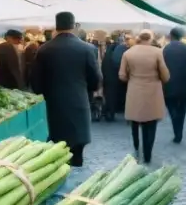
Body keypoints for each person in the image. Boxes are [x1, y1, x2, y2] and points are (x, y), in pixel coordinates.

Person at [31, 11, 102, 167]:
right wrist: (88, 89)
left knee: (58, 144)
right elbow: (96, 80)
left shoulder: (44, 50)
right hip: (79, 101)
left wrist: (46, 92)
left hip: (55, 104)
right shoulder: (87, 49)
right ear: (73, 26)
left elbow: (36, 83)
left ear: (56, 26)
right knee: (78, 146)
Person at [119, 30, 170, 164]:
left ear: (138, 38)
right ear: (151, 39)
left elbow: (122, 75)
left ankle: (136, 146)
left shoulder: (128, 53)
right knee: (151, 124)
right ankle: (148, 154)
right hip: (153, 92)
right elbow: (165, 76)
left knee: (135, 122)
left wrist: (133, 76)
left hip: (134, 90)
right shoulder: (157, 52)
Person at [162, 26, 186, 143]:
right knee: (182, 110)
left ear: (171, 36)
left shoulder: (164, 50)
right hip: (185, 87)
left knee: (172, 108)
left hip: (168, 86)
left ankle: (176, 128)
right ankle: (179, 132)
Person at [110, 34, 131, 116]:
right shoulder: (125, 48)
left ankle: (118, 107)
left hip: (115, 72)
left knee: (119, 91)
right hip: (124, 72)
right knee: (124, 91)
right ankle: (123, 107)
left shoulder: (116, 48)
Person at [101, 34, 121, 122]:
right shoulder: (115, 57)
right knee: (112, 97)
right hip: (114, 79)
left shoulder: (106, 57)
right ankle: (110, 113)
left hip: (106, 79)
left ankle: (106, 112)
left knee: (108, 96)